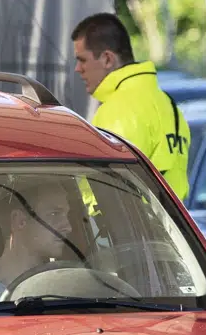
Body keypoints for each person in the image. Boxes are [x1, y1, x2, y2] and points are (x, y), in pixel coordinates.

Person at [72, 12, 190, 202]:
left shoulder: (118, 109)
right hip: (169, 218)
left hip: (125, 220)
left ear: (107, 59)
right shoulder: (167, 103)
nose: (78, 68)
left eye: (82, 59)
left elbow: (109, 189)